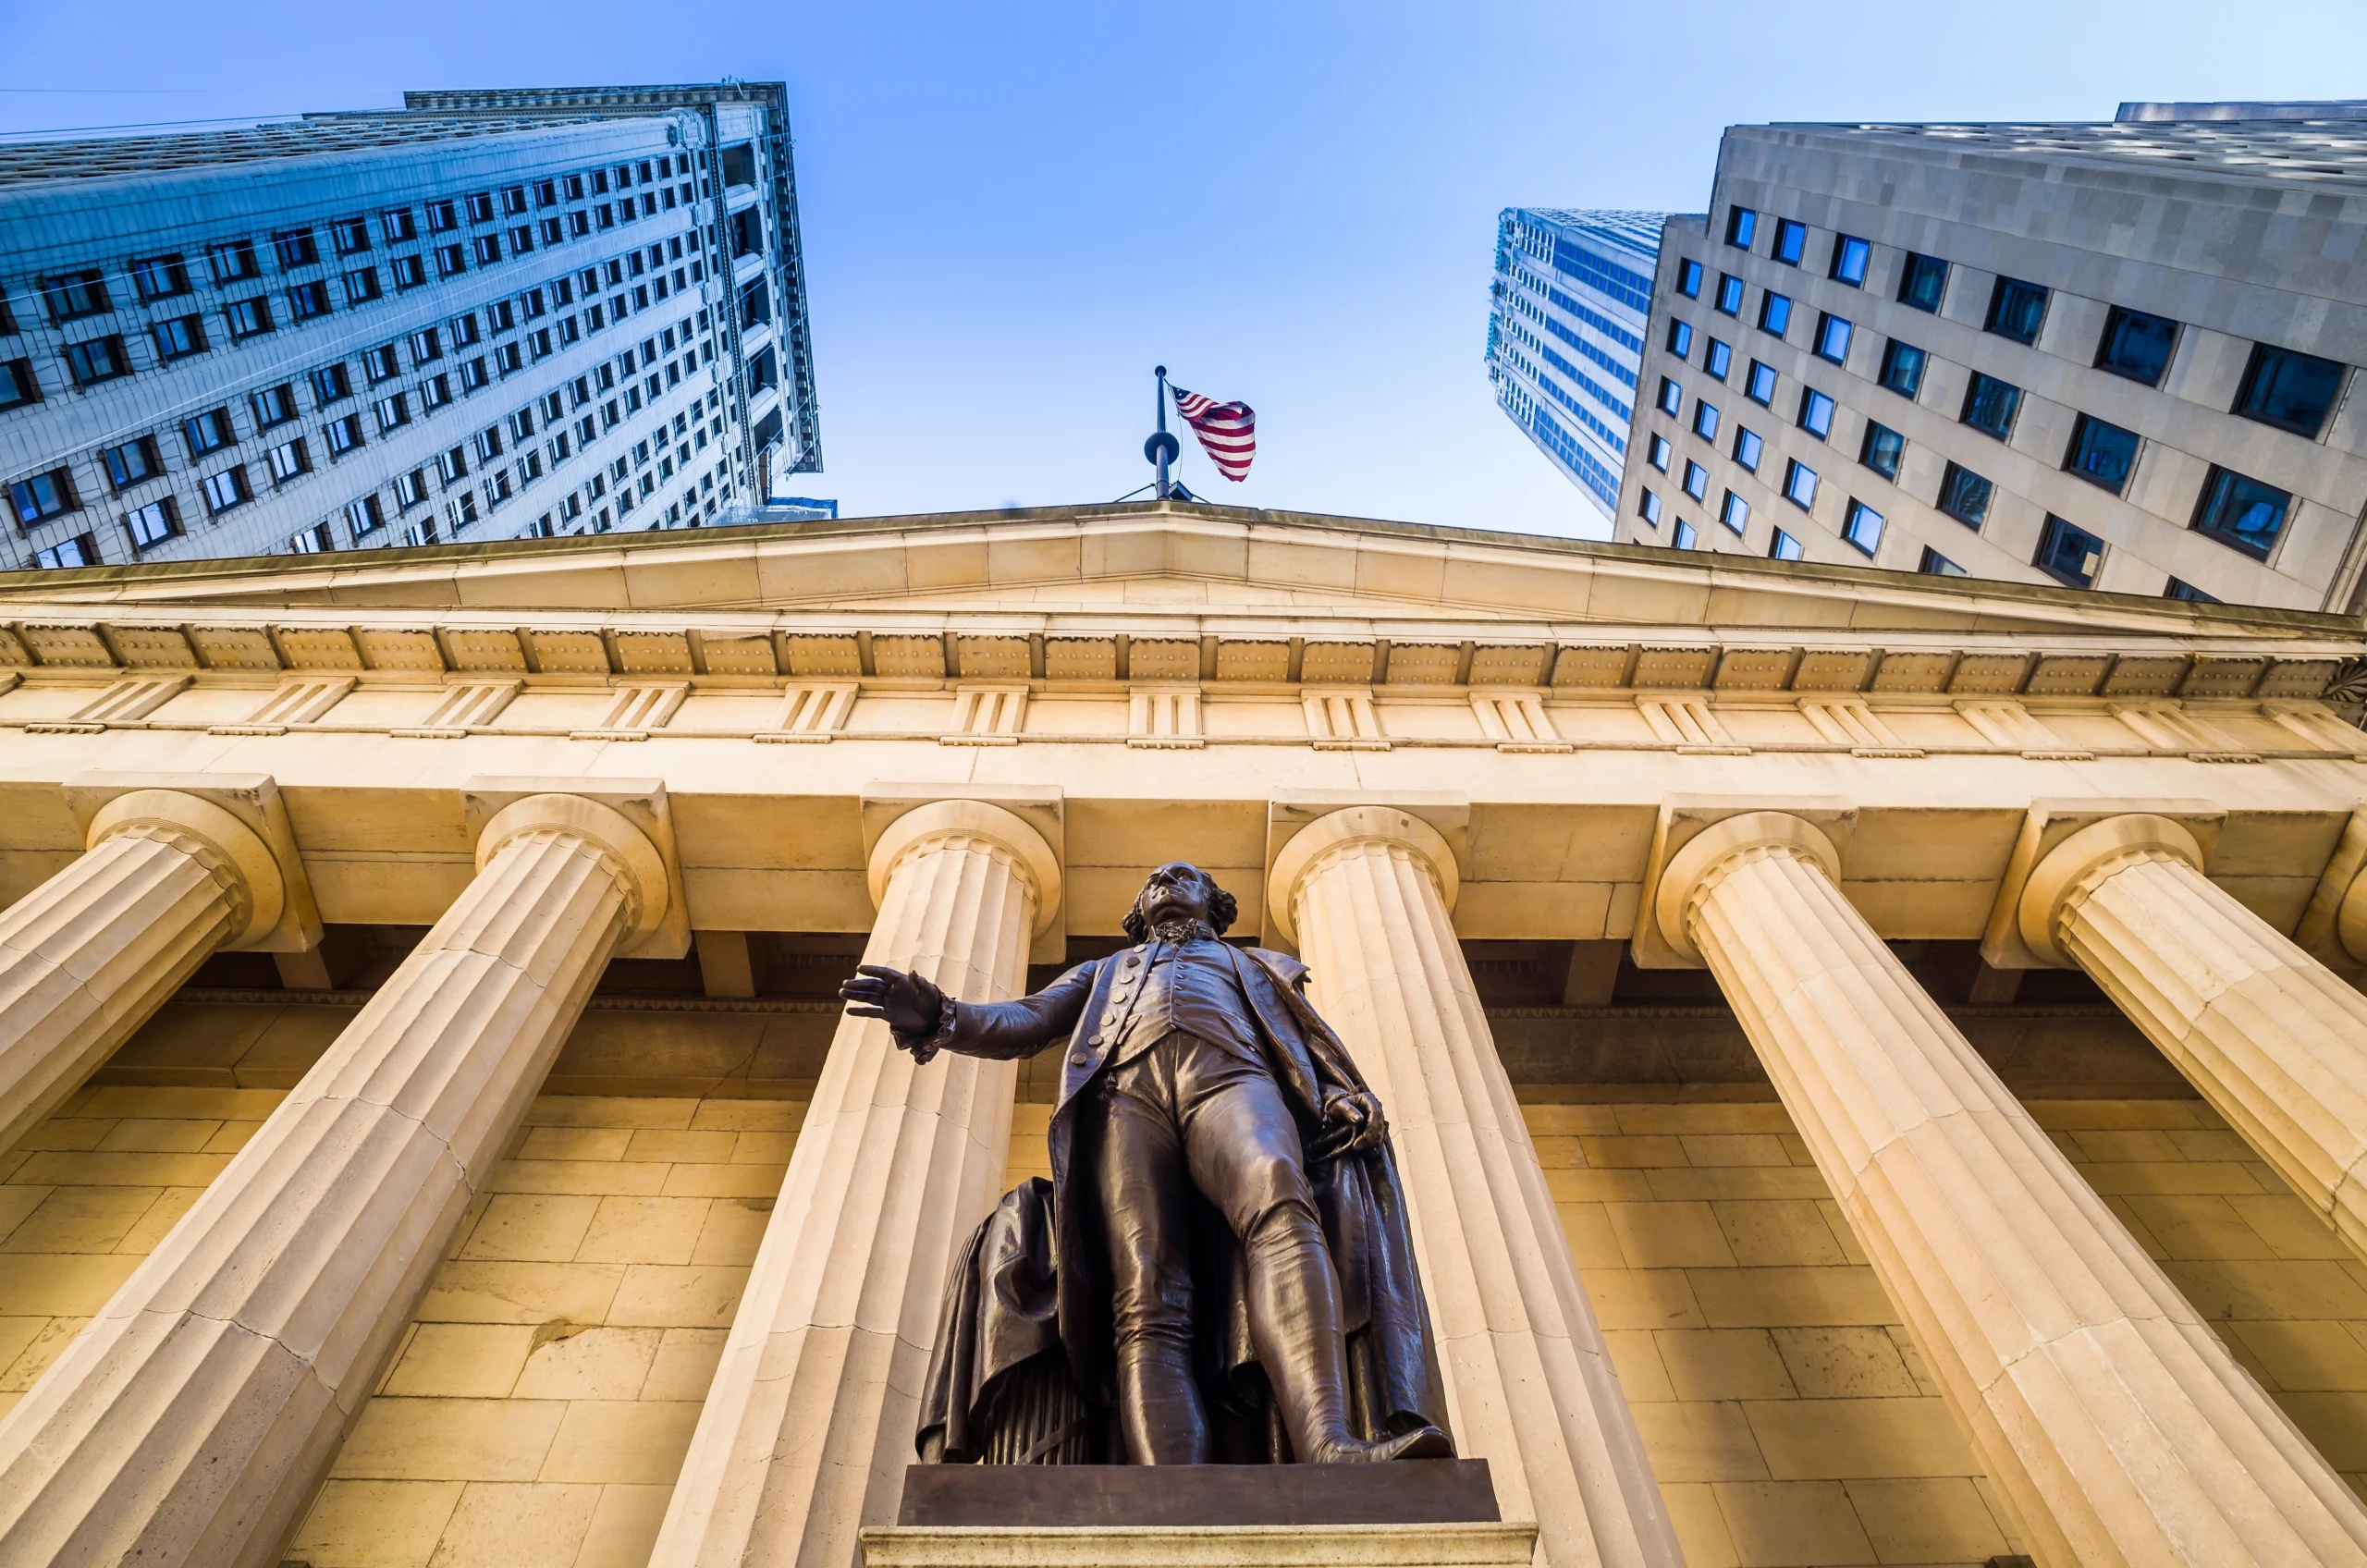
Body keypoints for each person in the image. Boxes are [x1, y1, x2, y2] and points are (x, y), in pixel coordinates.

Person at [843, 862, 1450, 1464]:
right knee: (1147, 1290)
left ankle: (1327, 1441)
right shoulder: (1107, 971)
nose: (1164, 882)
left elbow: (1307, 1047)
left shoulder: (1255, 964)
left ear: (1214, 903)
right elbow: (1027, 1019)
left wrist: (1337, 1092)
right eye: (1154, 879)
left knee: (1279, 1193)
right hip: (1126, 1100)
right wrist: (944, 1017)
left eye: (1181, 876)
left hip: (1232, 1078)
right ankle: (1172, 1487)